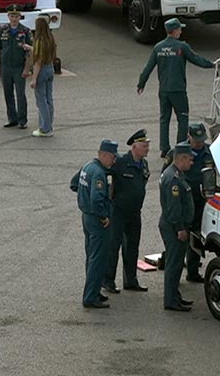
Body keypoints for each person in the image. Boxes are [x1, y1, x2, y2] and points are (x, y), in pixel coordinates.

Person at [137, 18, 215, 160]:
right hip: (178, 90)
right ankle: (181, 146)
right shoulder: (181, 46)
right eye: (179, 29)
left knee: (164, 119)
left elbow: (148, 68)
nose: (181, 31)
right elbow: (196, 59)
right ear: (174, 31)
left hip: (163, 90)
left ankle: (164, 148)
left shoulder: (158, 47)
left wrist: (141, 83)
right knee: (183, 118)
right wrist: (212, 65)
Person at [71, 140, 118, 309]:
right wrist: (104, 216)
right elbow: (96, 199)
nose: (114, 161)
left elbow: (74, 184)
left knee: (91, 256)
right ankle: (90, 296)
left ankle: (94, 290)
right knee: (98, 258)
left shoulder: (88, 166)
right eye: (112, 157)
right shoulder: (99, 173)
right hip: (97, 221)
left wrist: (83, 197)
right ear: (103, 155)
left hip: (87, 217)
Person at [105, 130, 151, 294]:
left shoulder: (143, 164)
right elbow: (104, 173)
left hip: (134, 213)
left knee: (132, 247)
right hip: (118, 212)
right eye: (144, 146)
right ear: (134, 147)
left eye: (148, 145)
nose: (147, 149)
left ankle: (131, 280)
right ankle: (108, 280)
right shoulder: (121, 163)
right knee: (113, 247)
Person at [158, 143, 196, 312]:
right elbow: (174, 209)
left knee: (177, 263)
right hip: (174, 227)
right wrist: (180, 229)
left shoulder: (176, 174)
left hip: (173, 225)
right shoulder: (173, 179)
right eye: (189, 159)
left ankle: (175, 296)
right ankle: (171, 300)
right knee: (174, 264)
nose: (192, 163)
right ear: (181, 159)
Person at [0, 5, 33, 130]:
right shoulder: (2, 30)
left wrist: (27, 69)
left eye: (16, 16)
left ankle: (22, 120)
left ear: (20, 17)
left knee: (20, 94)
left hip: (19, 67)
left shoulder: (25, 31)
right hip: (6, 67)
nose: (14, 19)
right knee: (8, 93)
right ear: (8, 16)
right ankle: (12, 118)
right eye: (12, 16)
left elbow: (29, 52)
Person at [183, 125, 214, 284]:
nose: (199, 144)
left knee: (196, 234)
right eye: (196, 141)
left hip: (202, 200)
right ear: (189, 137)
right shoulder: (180, 152)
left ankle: (193, 271)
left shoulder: (210, 151)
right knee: (181, 235)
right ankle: (174, 262)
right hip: (184, 201)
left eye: (201, 141)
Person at [29, 17, 57, 138]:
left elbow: (38, 61)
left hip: (42, 70)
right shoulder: (50, 39)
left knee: (41, 101)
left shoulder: (39, 40)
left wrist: (34, 78)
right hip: (50, 68)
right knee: (49, 99)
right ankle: (49, 126)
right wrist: (30, 48)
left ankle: (44, 128)